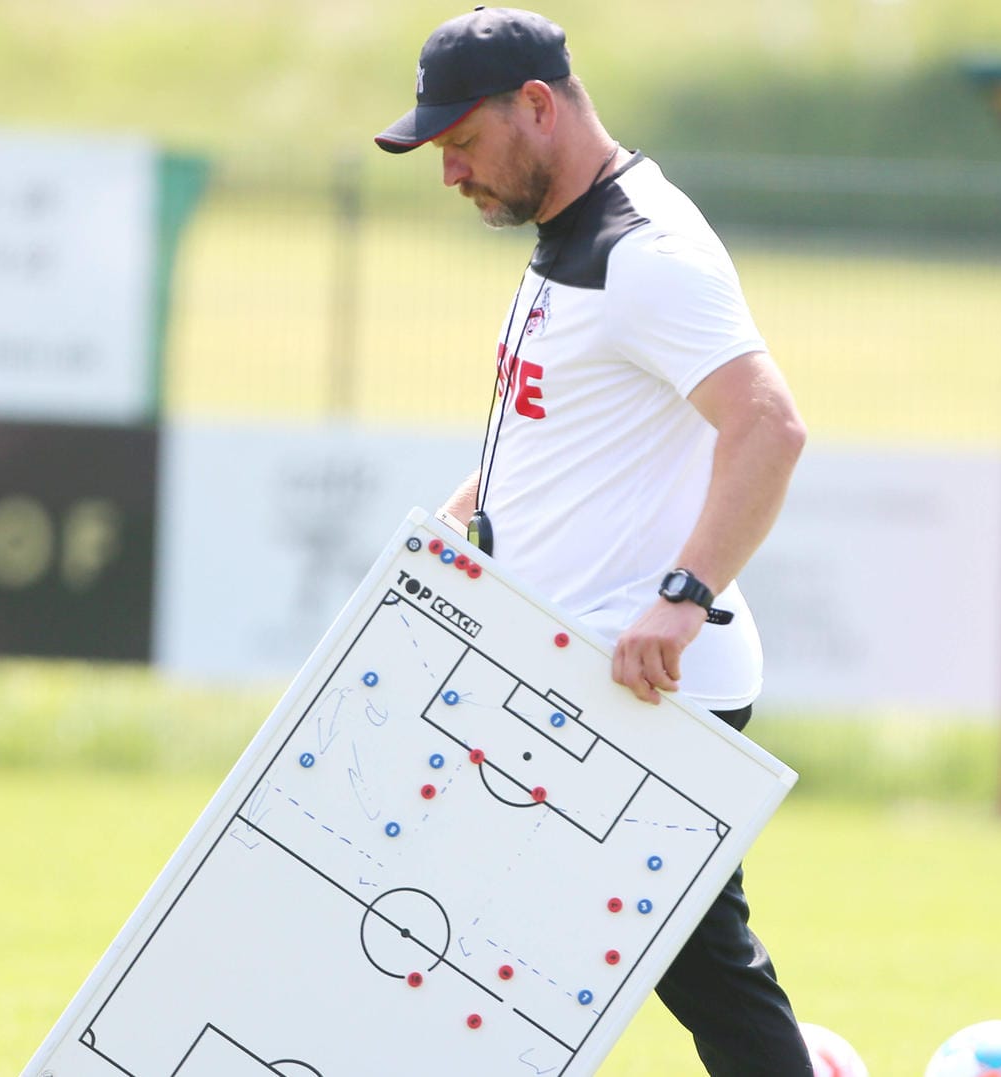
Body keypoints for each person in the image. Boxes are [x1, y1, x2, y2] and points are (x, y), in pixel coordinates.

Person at [374, 8, 812, 1075]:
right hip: (576, 686)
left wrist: (681, 594)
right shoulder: (569, 239)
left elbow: (770, 425)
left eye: (462, 145)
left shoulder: (645, 255)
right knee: (676, 968)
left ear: (537, 108)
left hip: (644, 687)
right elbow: (552, 435)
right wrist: (458, 524)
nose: (450, 174)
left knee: (531, 954)